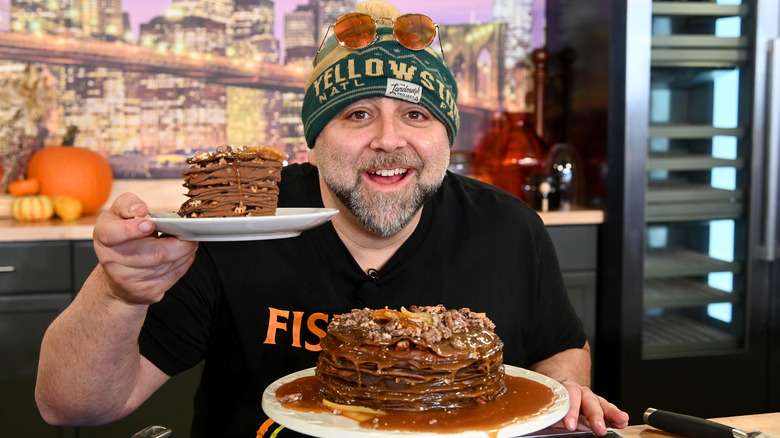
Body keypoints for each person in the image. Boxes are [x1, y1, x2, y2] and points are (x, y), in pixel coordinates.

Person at [35, 1, 629, 437]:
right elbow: (71, 407)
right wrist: (117, 291)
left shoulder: (510, 228)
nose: (388, 140)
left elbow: (561, 347)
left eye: (418, 116)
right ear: (314, 140)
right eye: (358, 115)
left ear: (447, 136)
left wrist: (567, 391)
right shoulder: (232, 228)